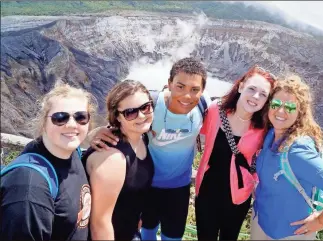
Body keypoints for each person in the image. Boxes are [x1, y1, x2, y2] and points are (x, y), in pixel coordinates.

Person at [87, 57, 212, 240]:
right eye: (180, 86)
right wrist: (94, 133)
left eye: (194, 89)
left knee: (173, 236)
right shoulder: (151, 105)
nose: (187, 96)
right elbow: (125, 121)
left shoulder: (204, 105)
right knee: (147, 233)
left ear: (202, 91)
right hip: (147, 186)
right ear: (169, 84)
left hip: (179, 188)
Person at [251, 75, 323, 240]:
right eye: (276, 104)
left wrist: (321, 221)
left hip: (289, 233)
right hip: (262, 221)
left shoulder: (297, 152)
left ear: (300, 112)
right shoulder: (272, 135)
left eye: (290, 107)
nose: (280, 111)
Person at [1, 82, 97, 240]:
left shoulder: (72, 153)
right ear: (43, 122)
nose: (72, 125)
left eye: (81, 117)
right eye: (60, 118)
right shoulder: (30, 188)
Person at [195, 65, 276, 240]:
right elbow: (192, 130)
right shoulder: (216, 111)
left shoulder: (264, 128)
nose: (256, 97)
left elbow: (265, 160)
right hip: (207, 191)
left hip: (238, 196)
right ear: (240, 87)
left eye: (263, 94)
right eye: (252, 89)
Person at [82, 80, 155, 241]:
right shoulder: (112, 159)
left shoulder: (141, 137)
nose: (142, 115)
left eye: (145, 107)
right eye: (130, 112)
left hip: (129, 231)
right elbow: (99, 223)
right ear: (117, 117)